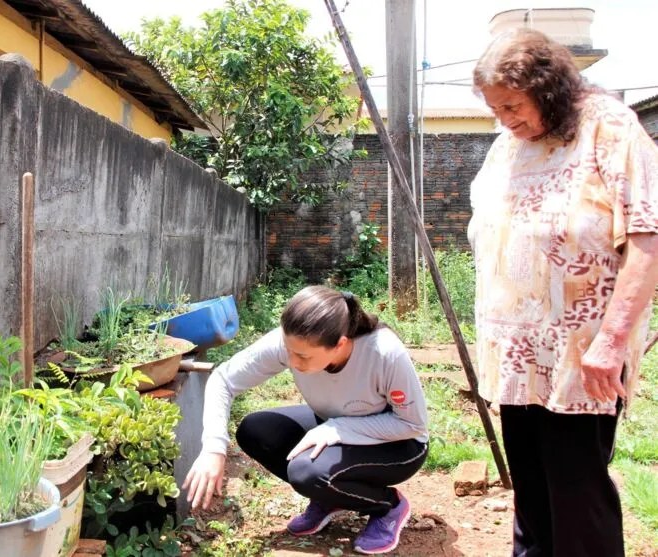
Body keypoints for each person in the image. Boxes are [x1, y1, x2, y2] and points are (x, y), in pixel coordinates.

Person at [469, 28, 658, 557]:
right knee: (529, 487)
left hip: (582, 355)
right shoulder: (511, 142)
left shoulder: (611, 128)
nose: (504, 119)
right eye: (494, 108)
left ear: (547, 89)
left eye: (512, 105)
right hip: (515, 356)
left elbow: (648, 236)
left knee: (576, 490)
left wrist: (612, 341)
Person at [182, 285, 428, 555]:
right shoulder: (292, 344)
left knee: (306, 472)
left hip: (397, 443)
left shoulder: (384, 353)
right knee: (256, 431)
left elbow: (412, 424)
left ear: (340, 344)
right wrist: (214, 447)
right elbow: (223, 380)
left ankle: (387, 506)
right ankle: (329, 499)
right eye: (289, 350)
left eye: (303, 356)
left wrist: (339, 428)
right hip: (332, 424)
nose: (291, 360)